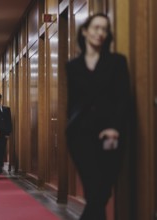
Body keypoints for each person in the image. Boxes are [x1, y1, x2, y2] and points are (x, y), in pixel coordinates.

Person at [65, 13, 131, 220]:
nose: (100, 33)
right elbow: (73, 102)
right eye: (96, 28)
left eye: (104, 29)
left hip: (110, 135)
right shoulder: (73, 66)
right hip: (80, 135)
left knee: (101, 193)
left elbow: (123, 99)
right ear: (85, 31)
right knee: (95, 190)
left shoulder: (117, 62)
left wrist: (115, 127)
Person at [0, 93, 12, 174]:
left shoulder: (6, 109)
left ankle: (0, 165)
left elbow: (9, 121)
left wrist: (8, 133)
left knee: (2, 150)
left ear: (0, 99)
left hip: (4, 133)